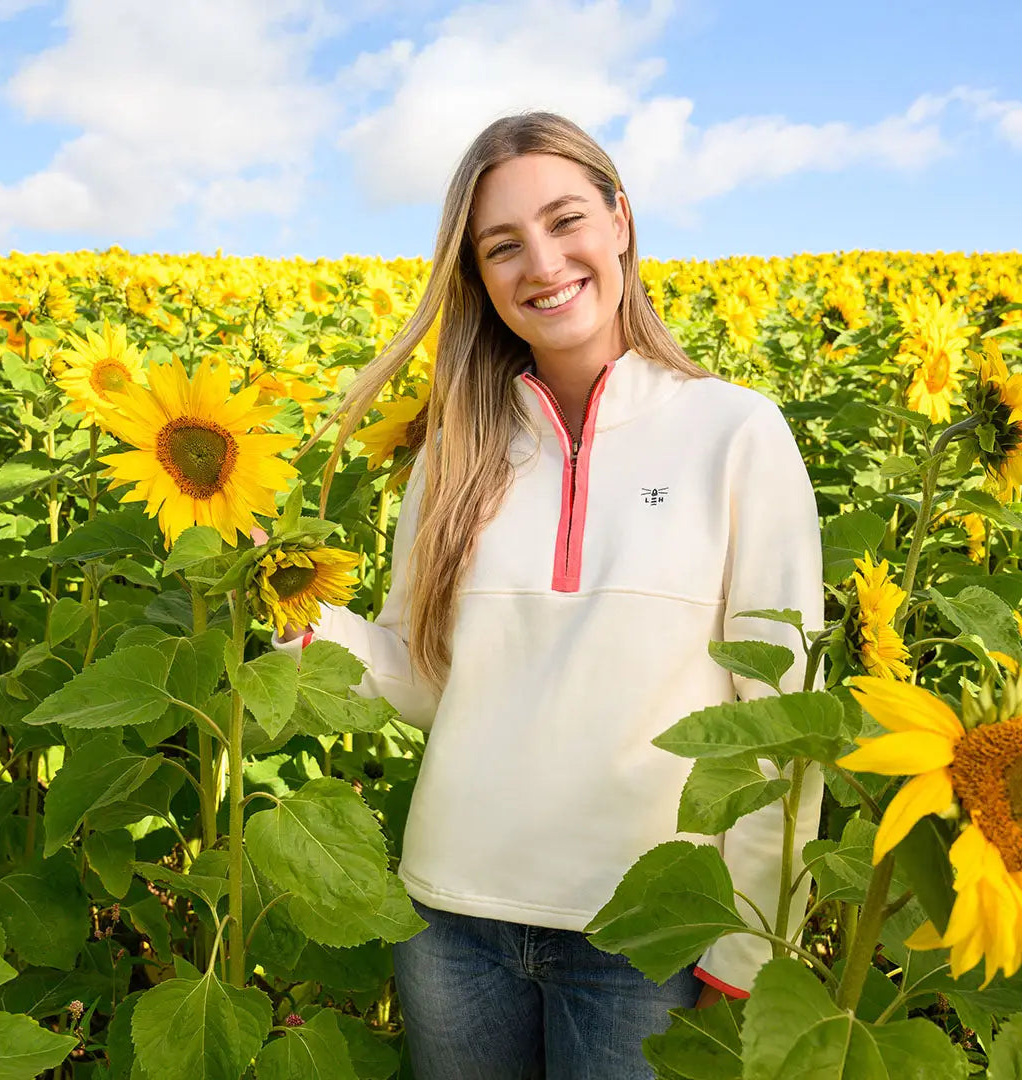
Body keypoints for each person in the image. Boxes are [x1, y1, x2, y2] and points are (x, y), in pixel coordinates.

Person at [267, 111, 825, 1080]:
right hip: (452, 917)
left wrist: (750, 946)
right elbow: (419, 675)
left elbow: (780, 719)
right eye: (503, 246)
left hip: (647, 935)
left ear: (621, 222)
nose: (543, 263)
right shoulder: (457, 452)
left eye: (567, 221)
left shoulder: (735, 434)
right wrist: (279, 601)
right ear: (477, 277)